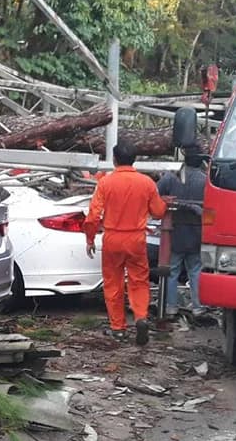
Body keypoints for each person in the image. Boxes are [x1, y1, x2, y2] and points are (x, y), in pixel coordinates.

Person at [84, 140, 170, 346]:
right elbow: (159, 211)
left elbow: (94, 215)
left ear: (114, 160)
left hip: (113, 238)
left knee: (113, 284)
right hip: (136, 239)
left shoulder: (105, 182)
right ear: (135, 159)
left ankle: (118, 329)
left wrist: (89, 238)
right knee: (139, 281)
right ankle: (140, 317)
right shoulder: (147, 182)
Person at [156, 146, 207, 319]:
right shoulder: (205, 180)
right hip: (196, 231)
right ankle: (198, 307)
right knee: (196, 270)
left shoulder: (170, 178)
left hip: (174, 231)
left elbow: (156, 196)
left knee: (172, 271)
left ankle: (170, 307)